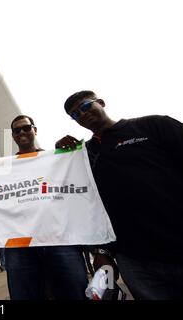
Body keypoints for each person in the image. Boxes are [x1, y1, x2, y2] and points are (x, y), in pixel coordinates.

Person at [56, 90, 183, 299]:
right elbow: (88, 206)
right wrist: (62, 157)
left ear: (101, 103)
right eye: (76, 115)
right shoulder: (85, 154)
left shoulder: (153, 125)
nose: (83, 114)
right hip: (134, 259)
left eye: (86, 106)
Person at [4, 115, 88, 300]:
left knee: (73, 291)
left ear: (35, 130)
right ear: (13, 136)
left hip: (59, 238)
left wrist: (66, 154)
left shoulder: (57, 159)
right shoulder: (4, 167)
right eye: (17, 130)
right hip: (20, 242)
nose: (22, 132)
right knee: (24, 295)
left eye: (26, 128)